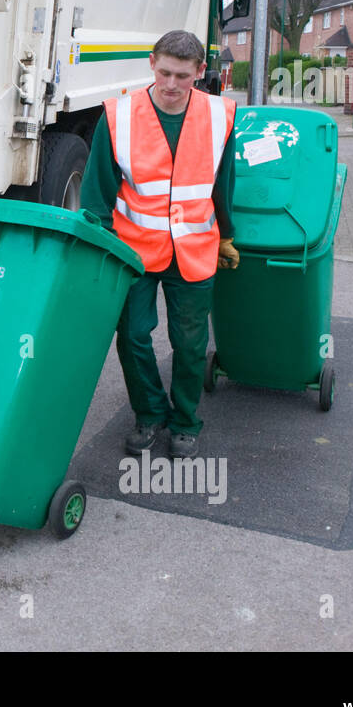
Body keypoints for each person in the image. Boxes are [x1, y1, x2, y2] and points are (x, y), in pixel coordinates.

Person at [80, 30, 238, 459]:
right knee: (132, 336)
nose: (171, 85)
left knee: (189, 344)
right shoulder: (118, 114)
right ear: (152, 63)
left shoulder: (221, 114)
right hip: (134, 250)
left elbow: (223, 182)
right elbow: (97, 191)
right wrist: (102, 248)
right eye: (165, 72)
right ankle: (149, 413)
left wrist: (226, 235)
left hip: (194, 248)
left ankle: (185, 422)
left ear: (200, 72)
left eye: (183, 76)